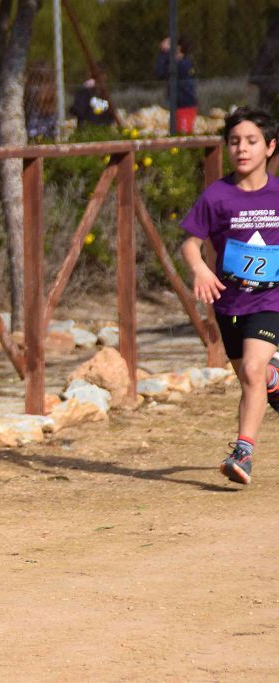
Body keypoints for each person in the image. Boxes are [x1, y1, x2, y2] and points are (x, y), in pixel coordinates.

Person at [179, 107, 279, 486]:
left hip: (272, 301)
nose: (242, 149)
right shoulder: (217, 195)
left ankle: (243, 452)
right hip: (229, 303)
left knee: (251, 371)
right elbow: (191, 243)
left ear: (270, 146)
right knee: (250, 377)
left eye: (252, 141)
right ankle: (274, 376)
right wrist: (201, 268)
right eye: (235, 141)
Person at [155, 36, 198, 135]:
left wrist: (164, 52)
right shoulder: (184, 63)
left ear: (178, 48)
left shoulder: (182, 64)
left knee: (182, 136)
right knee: (177, 134)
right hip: (180, 106)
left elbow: (160, 71)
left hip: (184, 107)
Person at [70, 65, 114, 129]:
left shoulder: (104, 94)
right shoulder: (85, 92)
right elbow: (77, 110)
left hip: (100, 129)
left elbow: (110, 115)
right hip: (87, 129)